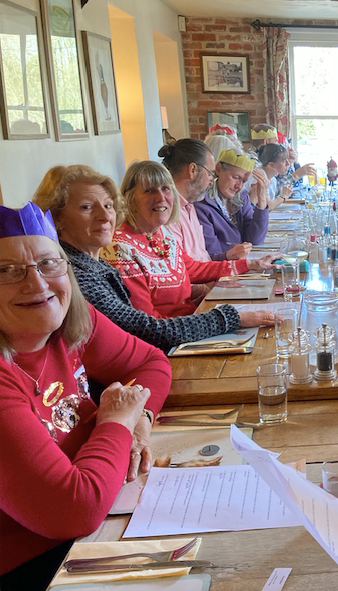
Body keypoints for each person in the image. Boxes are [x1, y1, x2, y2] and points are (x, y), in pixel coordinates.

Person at [0, 202, 171, 591]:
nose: (37, 284)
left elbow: (152, 363)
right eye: (7, 271)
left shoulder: (71, 321)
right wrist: (117, 422)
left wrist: (139, 422)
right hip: (36, 563)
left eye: (48, 263)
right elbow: (73, 510)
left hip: (105, 518)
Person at [32, 165, 276, 352]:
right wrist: (230, 317)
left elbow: (188, 270)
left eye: (107, 206)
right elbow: (147, 330)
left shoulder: (100, 262)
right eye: (86, 207)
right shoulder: (89, 267)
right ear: (55, 219)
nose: (104, 217)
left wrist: (244, 267)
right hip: (170, 345)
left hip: (180, 335)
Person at [101, 160, 278, 318]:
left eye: (165, 189)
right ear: (129, 198)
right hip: (175, 336)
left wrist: (251, 264)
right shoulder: (121, 248)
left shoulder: (162, 233)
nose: (161, 197)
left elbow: (193, 268)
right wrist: (222, 321)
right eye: (149, 191)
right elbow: (147, 324)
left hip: (191, 319)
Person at [194, 147, 270, 260]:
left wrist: (262, 199)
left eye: (243, 181)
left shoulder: (241, 197)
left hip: (239, 263)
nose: (239, 186)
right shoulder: (202, 203)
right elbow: (212, 255)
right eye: (235, 177)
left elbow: (255, 239)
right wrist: (233, 254)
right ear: (218, 169)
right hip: (222, 267)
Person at [159, 139, 217, 262]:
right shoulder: (167, 211)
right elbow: (183, 267)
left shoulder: (189, 206)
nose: (211, 181)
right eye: (210, 174)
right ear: (193, 170)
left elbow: (203, 258)